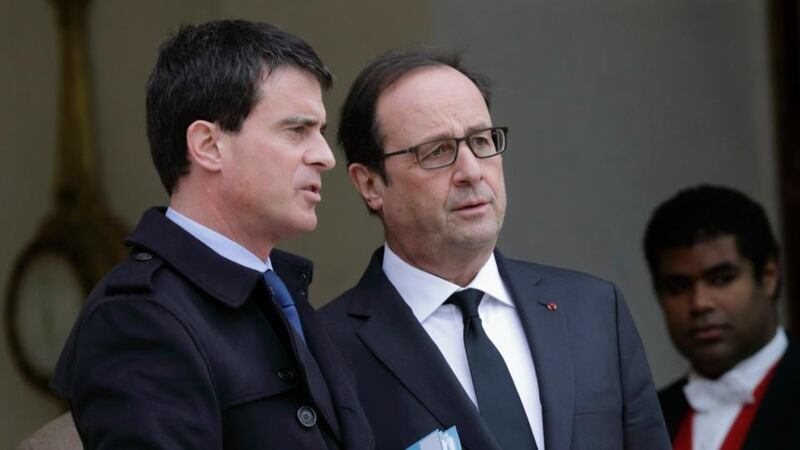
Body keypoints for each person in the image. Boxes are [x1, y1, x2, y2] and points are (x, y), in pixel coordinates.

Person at [320, 47, 669, 450]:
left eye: (481, 141)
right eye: (437, 151)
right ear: (370, 184)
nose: (471, 171)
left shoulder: (593, 310)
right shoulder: (327, 350)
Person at [51, 20, 373, 449]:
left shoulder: (280, 294)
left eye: (320, 132)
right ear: (207, 145)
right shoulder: (136, 320)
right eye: (297, 130)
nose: (324, 157)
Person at [644, 185, 798, 449]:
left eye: (721, 279)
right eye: (678, 286)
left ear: (769, 277)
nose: (699, 303)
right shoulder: (646, 419)